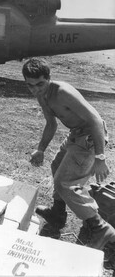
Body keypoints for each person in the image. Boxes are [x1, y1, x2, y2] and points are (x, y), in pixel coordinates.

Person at [22, 57, 115, 251]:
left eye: (40, 83)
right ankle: (57, 213)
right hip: (76, 135)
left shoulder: (62, 92)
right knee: (57, 165)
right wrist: (40, 149)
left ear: (49, 78)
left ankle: (100, 228)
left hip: (90, 137)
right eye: (30, 86)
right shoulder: (41, 95)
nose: (36, 89)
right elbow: (51, 123)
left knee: (66, 183)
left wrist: (100, 157)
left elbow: (96, 120)